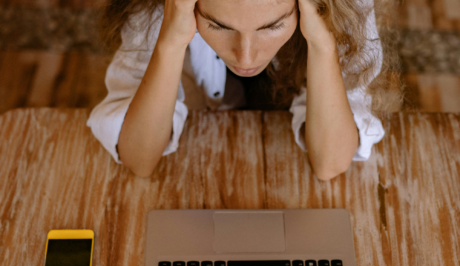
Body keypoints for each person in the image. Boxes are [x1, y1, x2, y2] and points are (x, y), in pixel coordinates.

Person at [87, 0, 400, 180]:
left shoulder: (344, 6)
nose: (246, 57)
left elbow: (330, 163)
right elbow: (139, 159)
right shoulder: (156, 8)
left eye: (271, 26)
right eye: (219, 26)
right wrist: (169, 42)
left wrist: (322, 45)